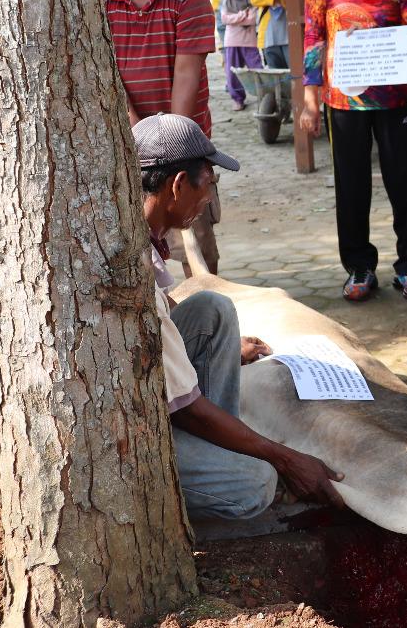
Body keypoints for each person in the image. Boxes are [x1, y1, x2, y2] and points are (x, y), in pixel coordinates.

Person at [134, 112, 345, 520]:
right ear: (178, 185)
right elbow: (188, 407)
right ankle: (192, 494)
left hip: (155, 400)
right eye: (209, 185)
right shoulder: (134, 265)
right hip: (131, 436)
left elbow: (168, 312)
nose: (209, 199)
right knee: (255, 482)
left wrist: (231, 346)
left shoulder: (143, 234)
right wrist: (284, 458)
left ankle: (214, 447)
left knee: (214, 310)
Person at [301, 0, 407, 302]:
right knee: (351, 186)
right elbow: (313, 35)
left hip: (397, 98)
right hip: (344, 101)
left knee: (405, 184)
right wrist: (310, 96)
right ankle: (359, 267)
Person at [103, 0, 221, 275]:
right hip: (122, 145)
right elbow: (105, 75)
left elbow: (187, 74)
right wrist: (136, 138)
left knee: (195, 256)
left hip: (183, 147)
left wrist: (168, 153)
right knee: (134, 257)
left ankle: (203, 329)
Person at [220, 0, 264, 111]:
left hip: (248, 41)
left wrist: (235, 19)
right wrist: (241, 15)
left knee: (257, 69)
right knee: (232, 72)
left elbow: (252, 19)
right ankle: (238, 99)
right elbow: (224, 19)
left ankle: (265, 97)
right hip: (232, 41)